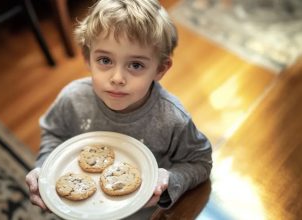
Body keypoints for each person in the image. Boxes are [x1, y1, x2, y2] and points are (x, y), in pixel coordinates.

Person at [26, 0, 212, 219]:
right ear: (88, 58)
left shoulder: (172, 119)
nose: (117, 78)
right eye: (105, 60)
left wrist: (170, 179)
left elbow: (200, 162)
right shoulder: (73, 98)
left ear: (160, 69)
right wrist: (44, 169)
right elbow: (54, 133)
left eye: (135, 65)